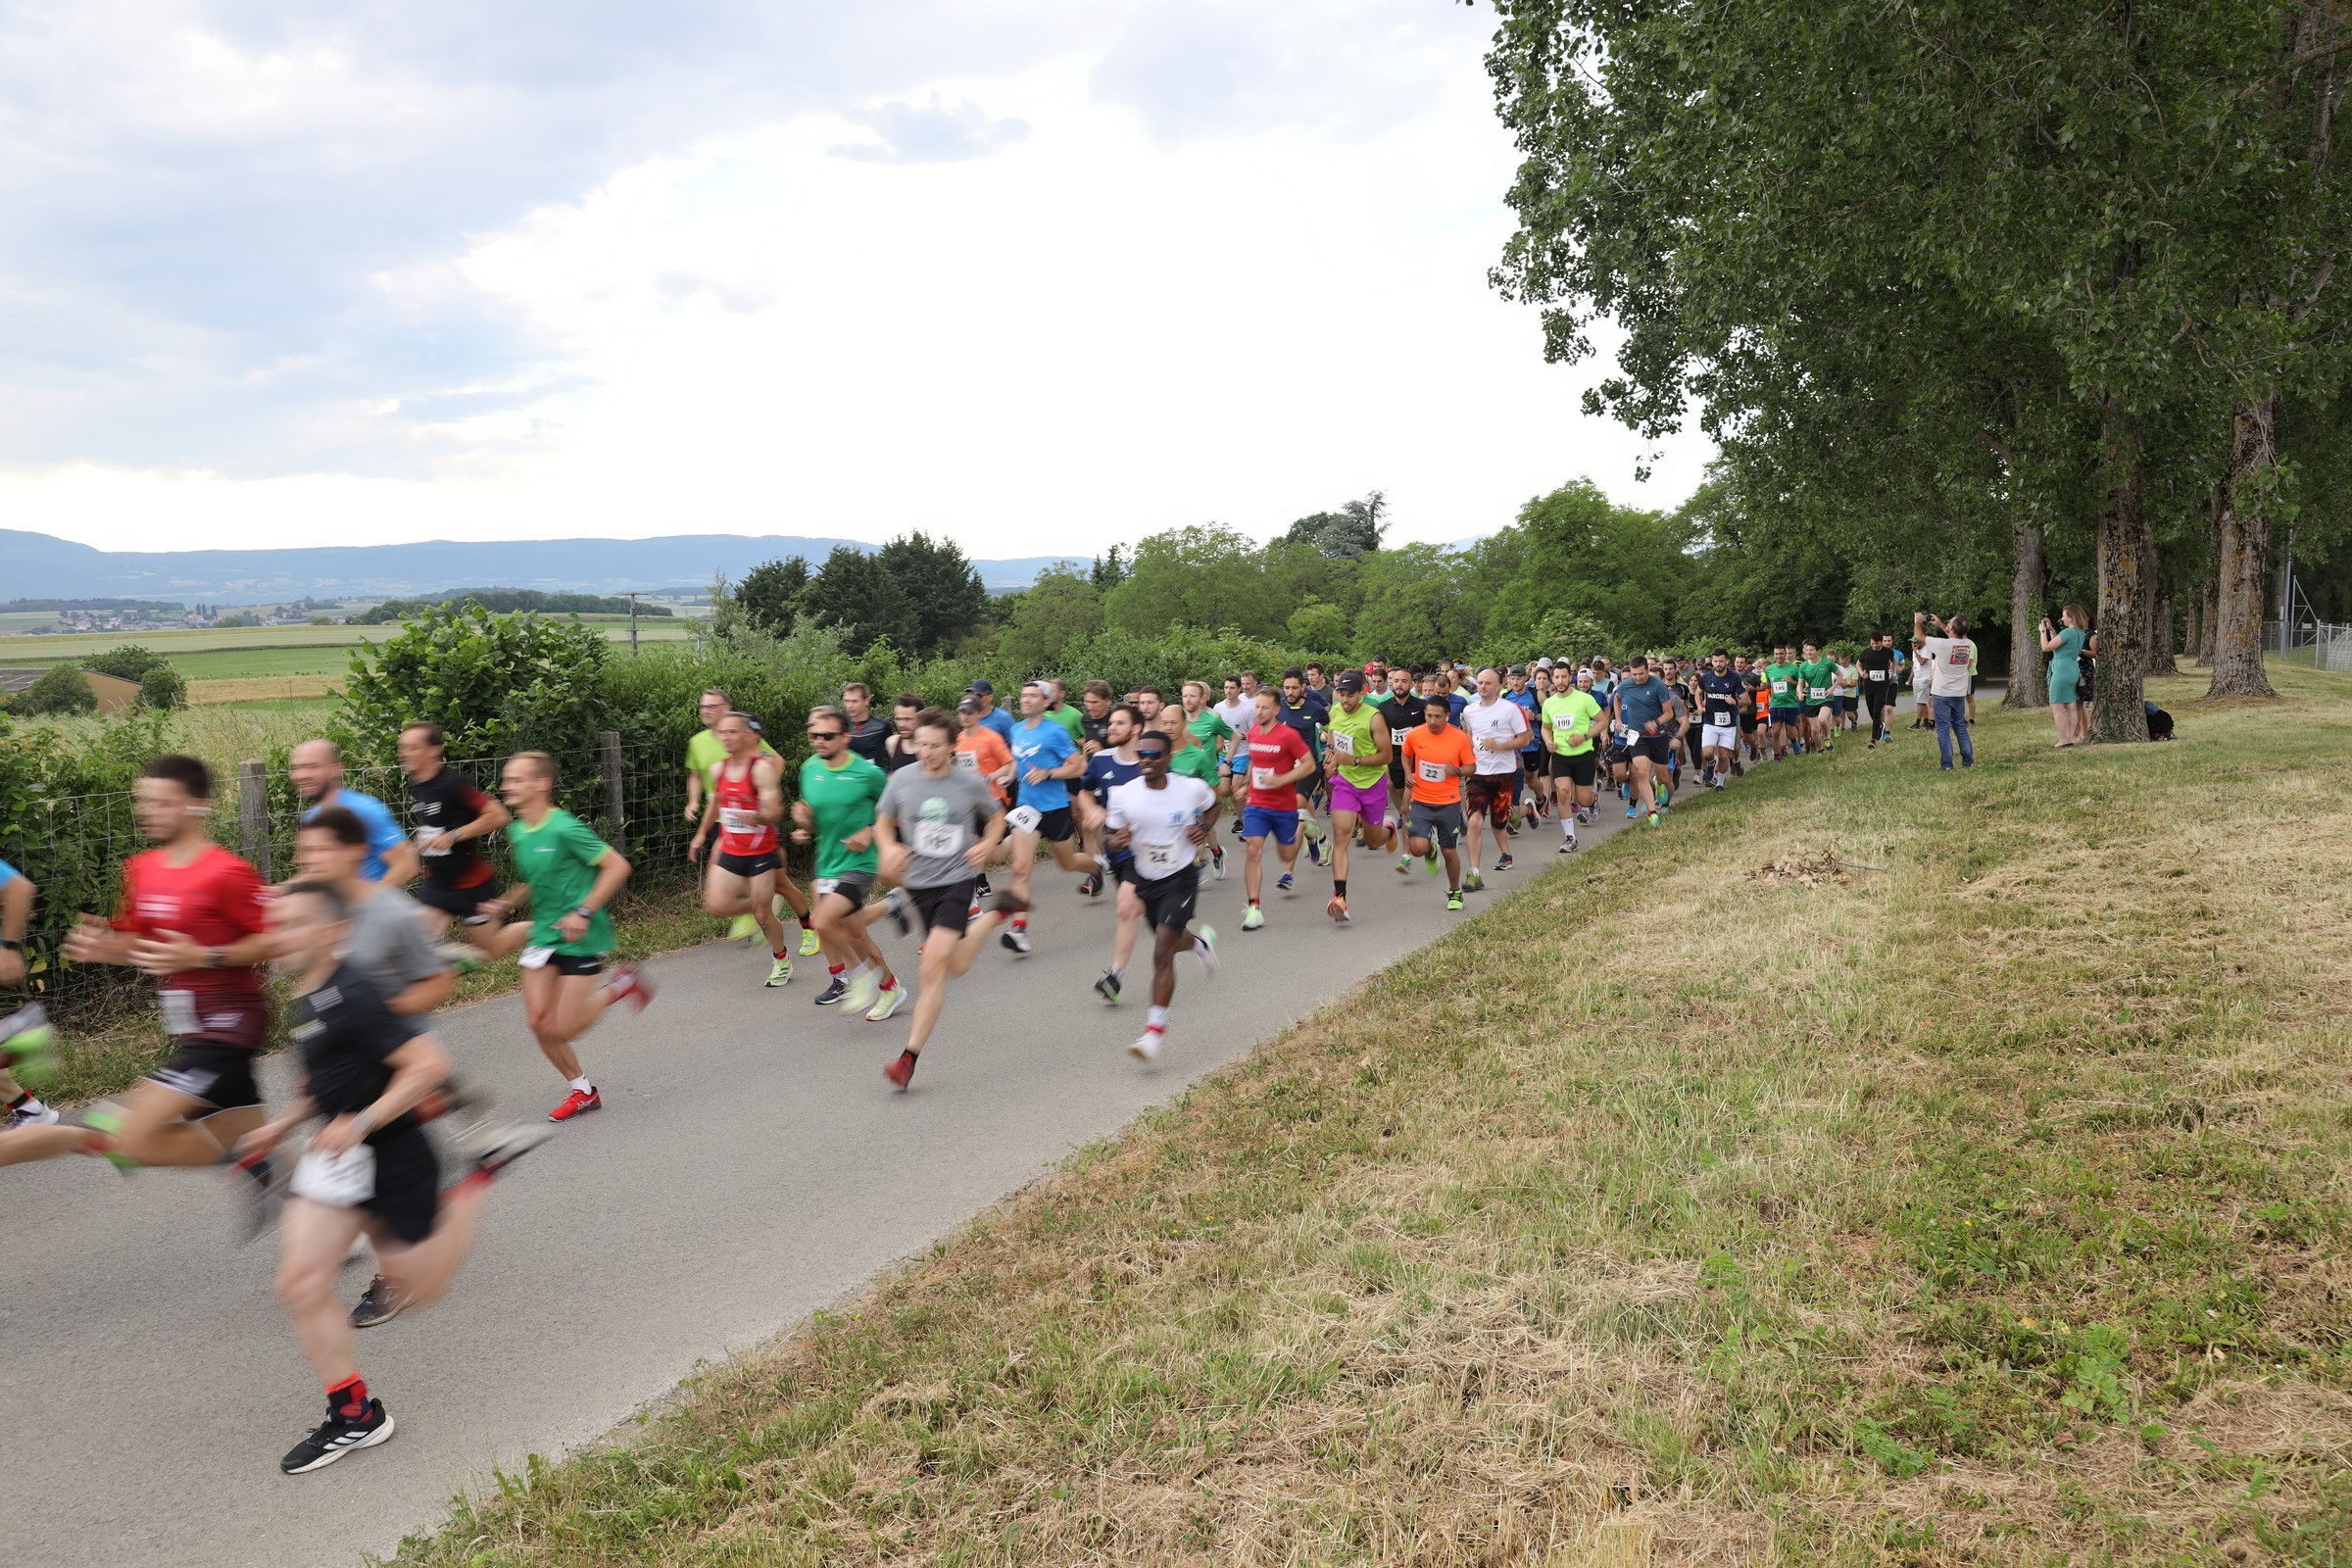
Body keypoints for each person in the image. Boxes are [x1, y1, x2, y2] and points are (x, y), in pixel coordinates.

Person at [236, 879, 545, 1474]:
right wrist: (281, 1126)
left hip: (394, 1155)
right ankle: (355, 1415)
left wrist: (362, 1122)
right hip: (338, 1159)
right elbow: (329, 1078)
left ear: (334, 932)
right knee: (300, 1283)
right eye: (278, 924)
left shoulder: (353, 992)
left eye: (297, 924)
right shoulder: (306, 995)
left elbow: (428, 1065)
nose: (281, 935)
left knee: (421, 1289)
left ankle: (482, 1173)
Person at [63, 755, 277, 1173]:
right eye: (143, 801)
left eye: (162, 802)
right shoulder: (141, 869)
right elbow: (144, 946)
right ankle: (270, 1170)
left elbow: (274, 938)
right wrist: (104, 948)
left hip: (230, 1025)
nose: (147, 810)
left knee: (123, 1136)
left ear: (198, 805)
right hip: (190, 1029)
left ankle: (250, 1160)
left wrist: (205, 956)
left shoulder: (227, 872)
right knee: (251, 1144)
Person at [291, 805, 463, 1329]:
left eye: (320, 850)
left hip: (394, 1061)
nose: (308, 861)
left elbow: (439, 982)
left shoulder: (390, 913)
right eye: (303, 852)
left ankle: (398, 1268)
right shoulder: (305, 911)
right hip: (343, 1062)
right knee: (358, 1159)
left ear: (355, 852)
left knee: (383, 1158)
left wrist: (369, 1017)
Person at [472, 752, 653, 1120]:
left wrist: (583, 911)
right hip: (544, 934)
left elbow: (617, 866)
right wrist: (504, 903)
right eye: (507, 779)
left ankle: (622, 984)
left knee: (565, 1027)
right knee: (540, 1023)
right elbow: (535, 880)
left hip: (581, 937)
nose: (507, 786)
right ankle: (582, 1091)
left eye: (516, 779)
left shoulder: (564, 828)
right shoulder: (518, 831)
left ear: (542, 784)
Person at [872, 709, 1014, 1091]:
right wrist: (888, 847)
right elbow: (882, 822)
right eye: (921, 744)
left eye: (935, 745)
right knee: (956, 965)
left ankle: (907, 1060)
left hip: (956, 880)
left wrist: (987, 842)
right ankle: (996, 914)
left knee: (932, 966)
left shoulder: (969, 782)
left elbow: (997, 817)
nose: (927, 752)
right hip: (918, 884)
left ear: (952, 746)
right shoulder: (903, 779)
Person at [1104, 731, 1221, 1061]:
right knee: (1169, 938)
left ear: (1168, 758)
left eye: (1154, 755)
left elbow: (1214, 805)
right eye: (1141, 754)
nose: (1146, 759)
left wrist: (1203, 828)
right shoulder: (1124, 794)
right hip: (1146, 879)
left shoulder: (1189, 788)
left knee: (1161, 951)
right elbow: (1108, 835)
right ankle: (1199, 944)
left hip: (1181, 877)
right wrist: (1115, 841)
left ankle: (1154, 1032)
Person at [795, 707, 902, 1020]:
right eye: (814, 735)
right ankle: (891, 988)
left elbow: (897, 811)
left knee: (824, 921)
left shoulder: (867, 774)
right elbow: (817, 823)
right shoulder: (809, 769)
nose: (819, 741)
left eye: (826, 736)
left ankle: (859, 976)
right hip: (827, 862)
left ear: (845, 738)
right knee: (856, 936)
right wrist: (805, 825)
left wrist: (870, 830)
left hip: (860, 862)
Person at [687, 711, 798, 988]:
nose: (726, 737)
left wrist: (757, 817)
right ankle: (762, 906)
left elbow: (777, 810)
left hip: (761, 852)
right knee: (716, 905)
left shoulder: (760, 770)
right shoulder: (718, 769)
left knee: (762, 917)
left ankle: (781, 960)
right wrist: (701, 834)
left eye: (732, 732)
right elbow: (716, 802)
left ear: (747, 736)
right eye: (722, 732)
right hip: (732, 848)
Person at [395, 722, 510, 955]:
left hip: (472, 885)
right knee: (416, 947)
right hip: (438, 883)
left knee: (492, 950)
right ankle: (448, 963)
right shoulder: (416, 785)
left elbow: (498, 815)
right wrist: (415, 845)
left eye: (413, 747)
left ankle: (536, 931)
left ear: (434, 750)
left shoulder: (453, 784)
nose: (405, 753)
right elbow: (437, 823)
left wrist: (454, 836)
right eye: (403, 747)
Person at [1001, 682, 1094, 955]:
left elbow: (1079, 767)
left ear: (1045, 702)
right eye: (1024, 695)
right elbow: (1017, 761)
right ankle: (1019, 930)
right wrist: (1009, 774)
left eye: (1033, 696)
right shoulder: (1016, 730)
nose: (1026, 700)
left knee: (1068, 863)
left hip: (1055, 808)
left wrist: (1048, 773)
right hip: (1027, 808)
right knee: (1020, 868)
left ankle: (1097, 866)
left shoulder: (1055, 731)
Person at [1075, 705, 1146, 1000]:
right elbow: (1085, 792)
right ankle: (1116, 977)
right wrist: (1092, 810)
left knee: (1133, 911)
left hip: (1154, 852)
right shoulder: (1101, 760)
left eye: (1119, 723)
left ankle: (1115, 976)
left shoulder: (1151, 760)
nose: (1111, 728)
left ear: (1136, 728)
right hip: (1120, 852)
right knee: (1131, 911)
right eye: (1111, 723)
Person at [291, 740, 418, 890]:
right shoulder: (312, 816)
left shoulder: (364, 810)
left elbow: (406, 866)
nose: (302, 775)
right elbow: (313, 873)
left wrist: (366, 902)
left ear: (335, 769)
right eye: (297, 768)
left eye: (312, 767)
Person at [1319, 669, 1394, 923]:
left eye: (1350, 694)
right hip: (1346, 782)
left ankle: (1388, 831)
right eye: (1341, 693)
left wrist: (1355, 760)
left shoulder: (1374, 717)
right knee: (1341, 836)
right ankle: (1340, 897)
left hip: (1372, 784)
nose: (1345, 699)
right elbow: (1333, 735)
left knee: (1373, 842)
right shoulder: (1336, 711)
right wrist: (1331, 753)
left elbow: (1386, 756)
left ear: (1362, 693)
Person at [1238, 687, 1314, 930]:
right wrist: (1246, 784)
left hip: (1283, 806)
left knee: (1286, 855)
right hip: (1257, 803)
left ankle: (1303, 825)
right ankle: (1254, 908)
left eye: (1264, 708)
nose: (1259, 711)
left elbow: (1309, 765)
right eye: (1257, 706)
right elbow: (1255, 761)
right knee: (1253, 848)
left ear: (1276, 710)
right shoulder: (1253, 733)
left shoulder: (1288, 735)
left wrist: (1282, 780)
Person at [1399, 696, 1476, 910]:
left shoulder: (1459, 738)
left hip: (1448, 803)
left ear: (1447, 716)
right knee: (1417, 849)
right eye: (1429, 716)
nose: (1432, 721)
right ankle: (1429, 846)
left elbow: (1472, 767)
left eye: (1438, 717)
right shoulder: (1415, 734)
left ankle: (1455, 892)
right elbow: (1406, 755)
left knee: (1449, 851)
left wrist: (1457, 771)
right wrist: (1408, 773)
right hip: (1421, 800)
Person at [1458, 667, 1530, 887]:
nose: (1482, 686)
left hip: (1504, 773)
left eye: (1488, 683)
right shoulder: (1469, 711)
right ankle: (1474, 874)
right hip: (1477, 774)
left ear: (1500, 686)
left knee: (1499, 823)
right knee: (1474, 822)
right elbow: (1468, 735)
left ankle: (1515, 821)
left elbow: (1525, 739)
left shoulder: (1510, 710)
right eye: (1480, 683)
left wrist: (1501, 746)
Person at [1540, 665, 1604, 850]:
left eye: (1563, 677)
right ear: (1553, 679)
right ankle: (1570, 838)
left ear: (1570, 678)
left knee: (1583, 800)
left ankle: (1593, 798)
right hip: (1561, 755)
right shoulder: (1549, 703)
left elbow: (1602, 721)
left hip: (1584, 755)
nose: (1560, 681)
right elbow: (1546, 727)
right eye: (1556, 677)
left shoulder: (1585, 699)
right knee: (1563, 792)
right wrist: (1548, 740)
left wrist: (1584, 737)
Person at [1611, 657, 1677, 826]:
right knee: (1641, 772)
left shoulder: (1658, 686)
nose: (1638, 678)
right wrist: (1618, 720)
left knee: (1663, 777)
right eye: (1634, 674)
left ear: (1647, 670)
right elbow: (1617, 698)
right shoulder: (1626, 685)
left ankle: (1658, 783)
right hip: (1637, 735)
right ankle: (1652, 812)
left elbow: (1669, 713)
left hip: (1658, 736)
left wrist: (1656, 723)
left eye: (1641, 674)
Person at [1912, 612, 1978, 770]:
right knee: (1960, 726)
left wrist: (1918, 621)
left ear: (1952, 629)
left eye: (1949, 623)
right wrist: (1941, 625)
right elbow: (1955, 639)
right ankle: (1968, 762)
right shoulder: (1969, 644)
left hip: (1942, 693)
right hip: (1959, 693)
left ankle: (1947, 764)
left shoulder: (1942, 645)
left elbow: (1919, 636)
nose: (1947, 624)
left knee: (1943, 729)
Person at [1695, 650, 1743, 791]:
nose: (1718, 664)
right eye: (1715, 661)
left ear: (1727, 661)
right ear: (1712, 662)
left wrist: (1735, 701)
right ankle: (1711, 764)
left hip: (1728, 723)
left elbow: (1746, 699)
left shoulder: (1734, 677)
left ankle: (1720, 784)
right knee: (1707, 753)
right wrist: (1700, 706)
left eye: (1721, 661)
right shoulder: (1706, 677)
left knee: (1723, 755)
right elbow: (1698, 693)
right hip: (1710, 721)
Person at [2042, 605, 2089, 747]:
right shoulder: (2080, 632)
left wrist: (2042, 631)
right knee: (2071, 706)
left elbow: (2046, 647)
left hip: (2061, 671)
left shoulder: (2068, 632)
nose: (2062, 618)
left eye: (2064, 616)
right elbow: (2059, 645)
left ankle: (2062, 740)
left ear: (2071, 617)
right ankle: (2069, 739)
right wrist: (2051, 630)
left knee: (2056, 706)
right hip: (2073, 669)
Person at [1857, 633, 1899, 747]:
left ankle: (1873, 739)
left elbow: (1894, 661)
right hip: (1869, 685)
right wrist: (1861, 673)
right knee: (1870, 707)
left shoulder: (1888, 652)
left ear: (1881, 642)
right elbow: (1859, 664)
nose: (1874, 645)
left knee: (1877, 710)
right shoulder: (1866, 652)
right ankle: (1880, 724)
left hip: (1882, 685)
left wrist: (1893, 673)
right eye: (1872, 643)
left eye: (1876, 643)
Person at [839, 683, 893, 769]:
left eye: (855, 701)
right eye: (847, 701)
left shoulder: (881, 726)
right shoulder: (840, 726)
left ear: (867, 700)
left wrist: (892, 771)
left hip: (876, 776)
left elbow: (893, 752)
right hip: (848, 775)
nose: (850, 706)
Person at [964, 678, 1017, 749]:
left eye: (978, 696)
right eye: (972, 696)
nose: (975, 699)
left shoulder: (1004, 718)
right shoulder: (969, 718)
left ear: (990, 697)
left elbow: (1016, 745)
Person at [882, 694, 923, 772]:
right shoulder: (892, 743)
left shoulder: (930, 748)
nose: (901, 725)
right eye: (898, 719)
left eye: (907, 719)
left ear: (921, 718)